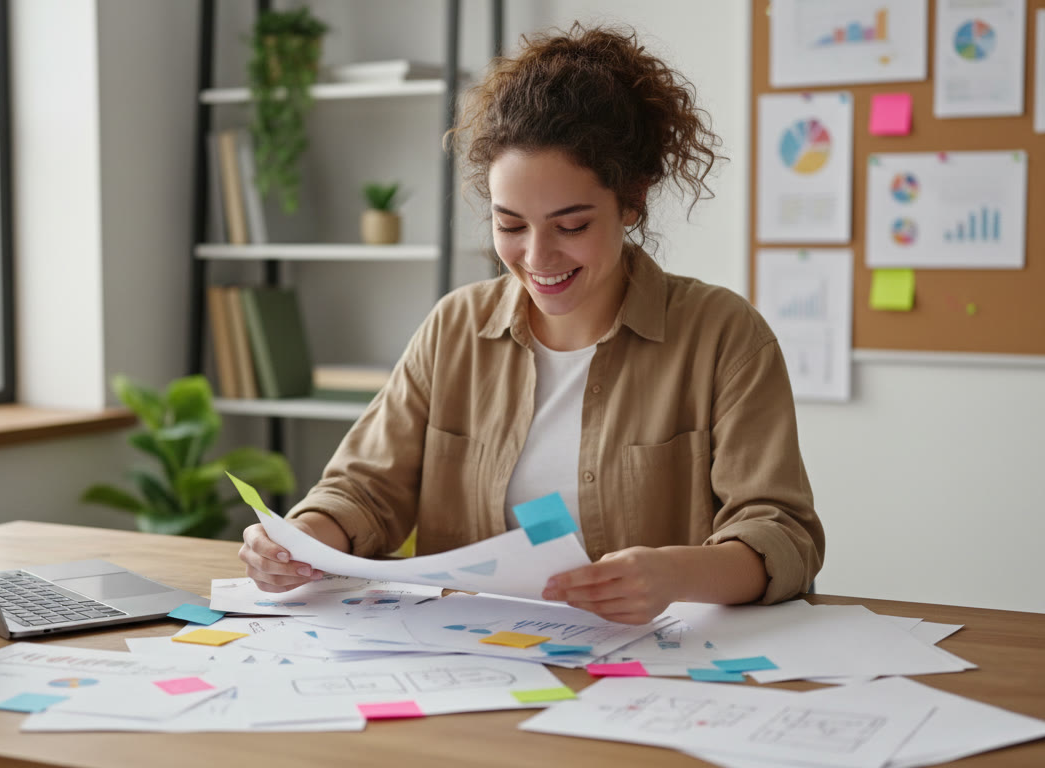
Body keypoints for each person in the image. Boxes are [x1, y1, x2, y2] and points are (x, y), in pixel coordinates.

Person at [238, 23, 823, 625]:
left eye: (571, 227)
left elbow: (783, 535)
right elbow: (363, 491)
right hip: (474, 663)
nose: (538, 259)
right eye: (511, 226)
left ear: (632, 201)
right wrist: (299, 542)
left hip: (652, 672)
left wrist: (676, 573)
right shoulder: (455, 328)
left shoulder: (724, 335)